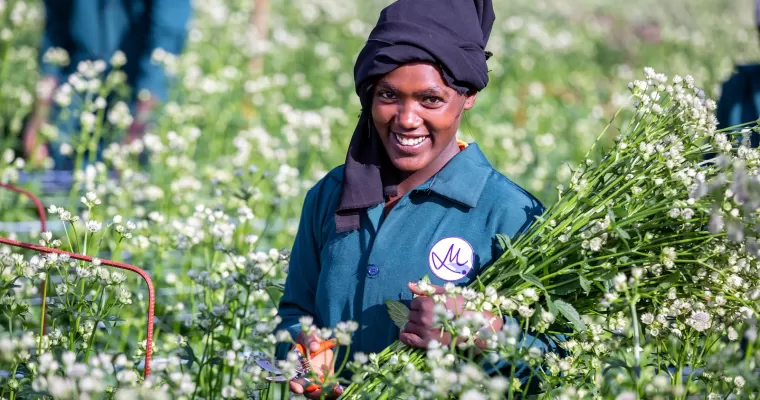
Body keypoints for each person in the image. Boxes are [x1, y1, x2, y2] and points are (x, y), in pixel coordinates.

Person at [273, 0, 557, 398]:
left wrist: (484, 336)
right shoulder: (330, 195)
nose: (407, 119)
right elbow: (294, 312)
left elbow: (559, 364)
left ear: (468, 95)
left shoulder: (510, 214)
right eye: (389, 95)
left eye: (430, 100)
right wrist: (300, 354)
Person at [23, 0, 192, 170]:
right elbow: (54, 32)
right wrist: (41, 114)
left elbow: (166, 44)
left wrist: (139, 124)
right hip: (74, 96)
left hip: (135, 102)